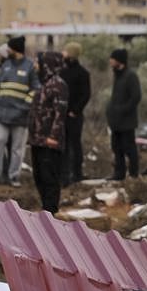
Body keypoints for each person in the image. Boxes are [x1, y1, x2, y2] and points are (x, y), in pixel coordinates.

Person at [0, 35, 37, 187]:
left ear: (15, 49)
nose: (6, 50)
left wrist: (25, 107)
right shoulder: (6, 65)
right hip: (2, 114)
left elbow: (35, 89)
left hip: (20, 116)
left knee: (17, 148)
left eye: (9, 48)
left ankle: (13, 177)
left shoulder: (29, 66)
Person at [27, 52, 69, 213]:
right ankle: (45, 209)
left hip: (50, 142)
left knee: (49, 177)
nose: (35, 66)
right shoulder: (43, 84)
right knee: (39, 177)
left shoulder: (59, 85)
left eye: (38, 62)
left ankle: (50, 211)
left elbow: (60, 113)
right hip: (38, 140)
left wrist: (53, 137)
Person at [106, 48, 141, 180]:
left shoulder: (130, 75)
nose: (110, 61)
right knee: (116, 148)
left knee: (129, 148)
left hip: (127, 121)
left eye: (112, 59)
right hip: (116, 121)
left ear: (119, 60)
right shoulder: (117, 75)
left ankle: (133, 174)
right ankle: (119, 173)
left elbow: (136, 97)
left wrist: (122, 109)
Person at [60, 42, 91, 185]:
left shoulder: (82, 73)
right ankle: (65, 175)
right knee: (63, 146)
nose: (63, 54)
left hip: (74, 116)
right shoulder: (61, 71)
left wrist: (75, 111)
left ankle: (77, 174)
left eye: (66, 52)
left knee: (75, 145)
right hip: (62, 116)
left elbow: (86, 94)